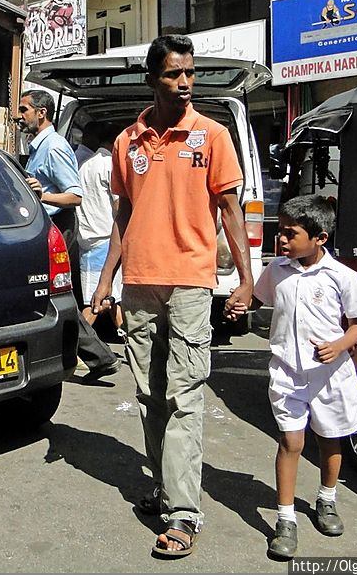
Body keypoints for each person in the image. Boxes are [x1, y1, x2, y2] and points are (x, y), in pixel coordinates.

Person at [90, 34, 253, 557]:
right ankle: (164, 488)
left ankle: (184, 513)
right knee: (148, 394)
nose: (185, 84)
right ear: (151, 79)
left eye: (189, 74)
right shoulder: (126, 142)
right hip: (139, 282)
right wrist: (103, 281)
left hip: (189, 282)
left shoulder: (212, 136)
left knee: (184, 396)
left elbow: (231, 212)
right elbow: (123, 216)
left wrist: (246, 279)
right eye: (173, 74)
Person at [226, 195, 357, 559]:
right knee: (291, 442)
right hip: (287, 372)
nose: (282, 241)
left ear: (320, 238)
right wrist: (239, 305)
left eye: (290, 234)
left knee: (329, 439)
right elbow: (257, 300)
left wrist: (339, 346)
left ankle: (326, 499)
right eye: (281, 232)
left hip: (330, 375)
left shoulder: (343, 277)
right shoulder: (277, 269)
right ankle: (286, 518)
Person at [17, 89, 120, 382]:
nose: (19, 117)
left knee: (57, 295)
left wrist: (43, 195)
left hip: (59, 226)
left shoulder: (54, 147)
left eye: (24, 110)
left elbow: (75, 196)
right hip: (46, 227)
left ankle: (98, 356)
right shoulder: (39, 146)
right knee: (56, 294)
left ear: (41, 113)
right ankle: (100, 357)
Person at [76, 121, 124, 335]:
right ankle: (77, 346)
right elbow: (118, 206)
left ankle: (128, 338)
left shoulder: (85, 164)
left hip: (87, 236)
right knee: (96, 301)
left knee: (112, 296)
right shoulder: (110, 165)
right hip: (105, 237)